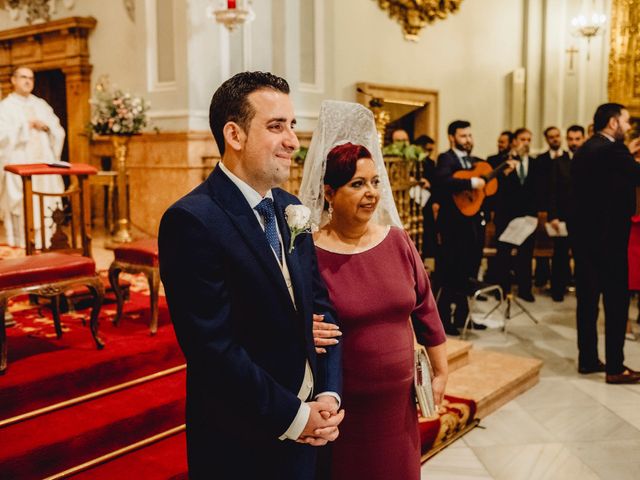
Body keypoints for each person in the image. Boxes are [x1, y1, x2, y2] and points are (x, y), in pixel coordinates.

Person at [158, 72, 344, 479]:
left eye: (292, 126)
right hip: (244, 439)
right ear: (234, 135)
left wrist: (328, 394)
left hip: (313, 424)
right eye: (276, 126)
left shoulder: (290, 208)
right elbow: (214, 350)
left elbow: (320, 306)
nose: (293, 141)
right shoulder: (192, 220)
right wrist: (296, 417)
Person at [299, 100, 447, 480]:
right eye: (357, 184)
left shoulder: (397, 241)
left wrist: (441, 372)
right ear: (329, 192)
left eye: (375, 182)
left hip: (398, 408)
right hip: (345, 408)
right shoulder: (310, 253)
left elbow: (426, 309)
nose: (371, 193)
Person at [569, 102, 640, 383]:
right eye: (624, 121)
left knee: (587, 302)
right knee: (616, 302)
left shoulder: (586, 149)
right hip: (609, 240)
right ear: (613, 122)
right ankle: (615, 367)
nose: (627, 126)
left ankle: (587, 359)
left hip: (585, 239)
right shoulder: (613, 149)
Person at [433, 120, 489, 335]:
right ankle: (444, 319)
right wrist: (471, 183)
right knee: (449, 272)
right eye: (463, 136)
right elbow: (442, 180)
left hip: (472, 225)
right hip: (452, 227)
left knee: (469, 272)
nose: (468, 140)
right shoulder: (445, 158)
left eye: (469, 135)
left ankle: (464, 317)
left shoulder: (473, 161)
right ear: (452, 137)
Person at [0, 66, 65, 248]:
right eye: (23, 77)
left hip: (43, 162)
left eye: (31, 78)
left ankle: (46, 238)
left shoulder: (41, 105)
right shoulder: (5, 107)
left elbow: (58, 130)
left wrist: (46, 127)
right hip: (19, 162)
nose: (28, 81)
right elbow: (1, 136)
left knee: (45, 198)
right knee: (22, 201)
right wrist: (25, 126)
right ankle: (21, 240)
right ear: (13, 80)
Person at [494, 127, 539, 302]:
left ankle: (525, 289)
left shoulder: (535, 163)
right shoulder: (501, 161)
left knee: (525, 256)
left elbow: (538, 189)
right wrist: (506, 171)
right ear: (514, 141)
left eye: (528, 139)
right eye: (522, 139)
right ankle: (502, 289)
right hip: (506, 215)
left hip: (527, 217)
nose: (525, 143)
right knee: (503, 254)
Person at [548, 125, 585, 301]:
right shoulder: (559, 161)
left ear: (583, 139)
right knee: (560, 255)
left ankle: (583, 289)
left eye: (577, 139)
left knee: (583, 256)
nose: (574, 143)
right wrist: (553, 215)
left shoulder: (589, 159)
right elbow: (552, 191)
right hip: (562, 216)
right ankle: (557, 290)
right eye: (570, 139)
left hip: (583, 217)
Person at [534, 126, 564, 288]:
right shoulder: (541, 160)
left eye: (557, 136)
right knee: (542, 246)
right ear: (546, 139)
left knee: (561, 249)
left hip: (563, 209)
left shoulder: (568, 158)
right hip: (545, 206)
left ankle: (560, 282)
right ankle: (541, 278)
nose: (555, 139)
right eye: (551, 137)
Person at [415, 134, 438, 258]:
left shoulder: (430, 162)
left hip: (427, 199)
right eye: (428, 150)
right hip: (414, 200)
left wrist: (430, 184)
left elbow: (436, 181)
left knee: (427, 232)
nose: (429, 153)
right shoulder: (412, 161)